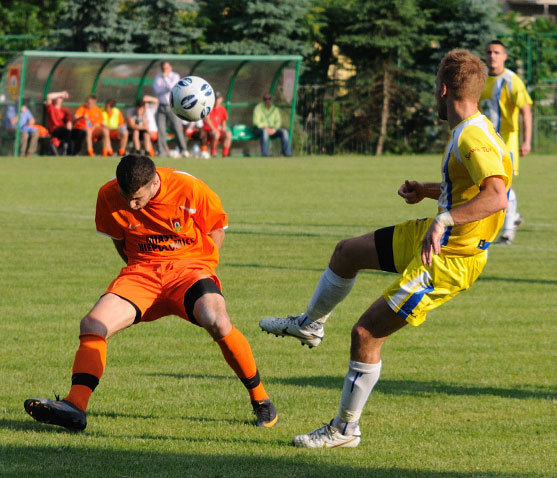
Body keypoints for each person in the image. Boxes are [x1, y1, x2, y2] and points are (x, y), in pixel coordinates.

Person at [259, 49, 512, 448]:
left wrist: (444, 220)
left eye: (434, 88)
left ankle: (345, 430)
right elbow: (471, 188)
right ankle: (310, 323)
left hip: (448, 259)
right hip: (434, 236)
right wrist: (428, 192)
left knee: (366, 333)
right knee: (347, 253)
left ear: (443, 90)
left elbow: (497, 196)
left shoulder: (472, 135)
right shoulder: (474, 128)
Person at [24, 154, 278, 432]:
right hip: (142, 273)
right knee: (92, 325)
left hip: (189, 270)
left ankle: (261, 399)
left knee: (216, 319)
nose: (131, 205)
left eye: (138, 199)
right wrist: (140, 270)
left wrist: (203, 266)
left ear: (155, 181)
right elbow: (120, 242)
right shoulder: (108, 195)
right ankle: (75, 405)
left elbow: (217, 230)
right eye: (126, 198)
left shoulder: (189, 188)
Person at [479, 40, 533, 245]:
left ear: (504, 56)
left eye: (497, 52)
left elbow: (526, 111)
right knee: (488, 184)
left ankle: (508, 230)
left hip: (506, 143)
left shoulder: (511, 80)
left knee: (503, 184)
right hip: (485, 142)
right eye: (489, 52)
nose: (492, 55)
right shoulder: (481, 78)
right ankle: (514, 216)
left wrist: (526, 141)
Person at [152, 61, 189, 157]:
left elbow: (172, 88)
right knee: (161, 129)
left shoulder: (175, 76)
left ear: (170, 67)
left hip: (172, 106)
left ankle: (183, 150)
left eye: (166, 68)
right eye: (163, 68)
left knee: (177, 128)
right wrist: (165, 87)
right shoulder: (158, 77)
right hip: (161, 106)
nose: (165, 70)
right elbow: (157, 90)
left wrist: (165, 79)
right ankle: (162, 151)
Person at [45, 91, 85, 155]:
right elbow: (49, 96)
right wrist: (62, 93)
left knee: (81, 133)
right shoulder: (50, 108)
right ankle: (68, 153)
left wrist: (69, 124)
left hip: (65, 130)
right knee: (66, 132)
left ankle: (75, 153)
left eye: (60, 98)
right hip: (55, 130)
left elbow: (68, 121)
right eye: (57, 97)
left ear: (62, 100)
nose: (58, 99)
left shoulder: (65, 110)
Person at [203, 92, 232, 158]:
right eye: (215, 98)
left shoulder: (222, 109)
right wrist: (214, 129)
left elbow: (224, 121)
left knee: (228, 134)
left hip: (217, 130)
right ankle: (213, 152)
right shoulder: (208, 108)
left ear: (221, 99)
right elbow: (207, 120)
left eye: (218, 98)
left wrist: (223, 129)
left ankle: (225, 154)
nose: (217, 100)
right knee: (216, 133)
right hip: (208, 130)